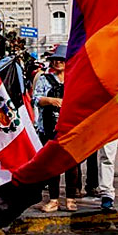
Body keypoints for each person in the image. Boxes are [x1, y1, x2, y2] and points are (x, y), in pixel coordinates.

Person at [33, 45, 81, 212]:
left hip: (70, 127)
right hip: (48, 128)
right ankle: (53, 199)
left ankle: (70, 198)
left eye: (61, 60)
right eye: (55, 60)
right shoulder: (44, 79)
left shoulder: (74, 79)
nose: (58, 62)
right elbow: (35, 99)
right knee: (52, 164)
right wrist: (50, 101)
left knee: (71, 164)